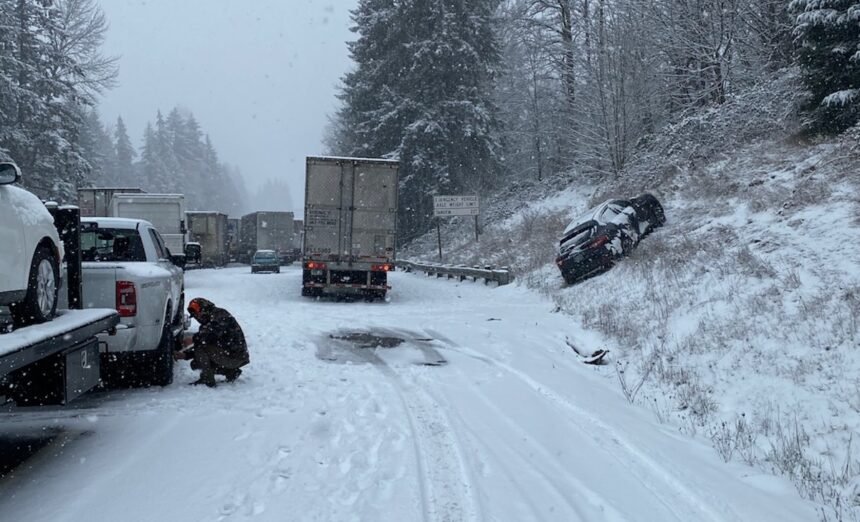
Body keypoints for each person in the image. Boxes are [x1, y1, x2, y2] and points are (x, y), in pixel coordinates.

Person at [175, 297, 249, 387]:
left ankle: (207, 379)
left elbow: (209, 336)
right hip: (230, 354)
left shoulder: (220, 315)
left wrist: (192, 339)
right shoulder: (208, 321)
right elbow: (207, 340)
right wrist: (186, 355)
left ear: (204, 309)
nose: (197, 317)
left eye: (197, 314)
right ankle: (230, 371)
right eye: (194, 316)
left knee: (201, 349)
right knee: (195, 363)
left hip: (235, 356)